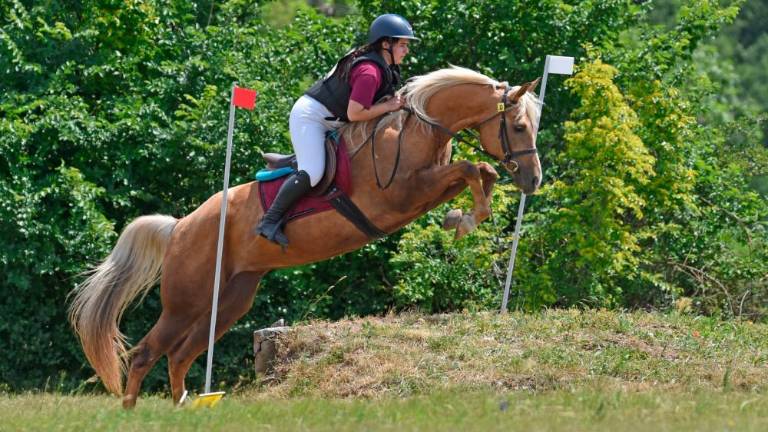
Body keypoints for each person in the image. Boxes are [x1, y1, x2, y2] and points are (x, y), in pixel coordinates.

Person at [255, 13, 418, 246]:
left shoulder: (384, 65)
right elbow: (355, 114)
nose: (406, 50)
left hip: (333, 120)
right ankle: (268, 220)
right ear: (385, 44)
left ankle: (297, 160)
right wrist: (388, 106)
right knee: (313, 172)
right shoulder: (369, 72)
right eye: (402, 45)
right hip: (311, 118)